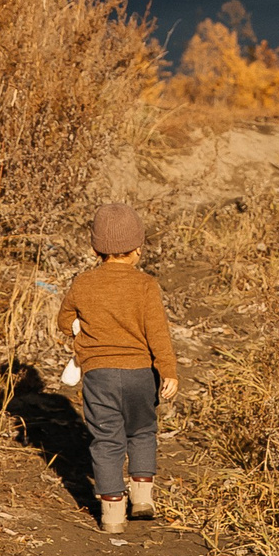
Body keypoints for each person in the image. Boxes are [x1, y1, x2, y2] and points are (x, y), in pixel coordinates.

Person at [54, 201, 179, 534]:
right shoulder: (146, 286)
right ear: (137, 248)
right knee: (141, 432)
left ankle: (112, 518)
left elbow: (64, 321)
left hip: (99, 376)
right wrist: (169, 370)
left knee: (106, 441)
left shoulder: (83, 283)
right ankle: (142, 498)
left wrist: (79, 329)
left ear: (97, 248)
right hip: (141, 374)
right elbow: (158, 334)